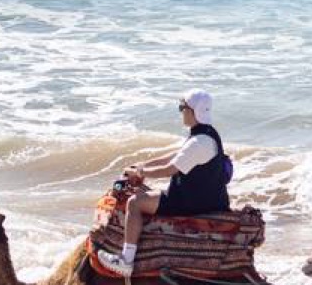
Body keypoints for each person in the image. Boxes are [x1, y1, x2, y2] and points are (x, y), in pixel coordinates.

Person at [96, 90, 232, 274]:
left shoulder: (198, 142)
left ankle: (126, 260)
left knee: (134, 202)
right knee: (146, 192)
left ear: (193, 111)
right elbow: (174, 156)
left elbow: (169, 169)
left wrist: (141, 173)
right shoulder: (206, 134)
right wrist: (141, 166)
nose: (181, 112)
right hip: (208, 196)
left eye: (182, 108)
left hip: (192, 202)